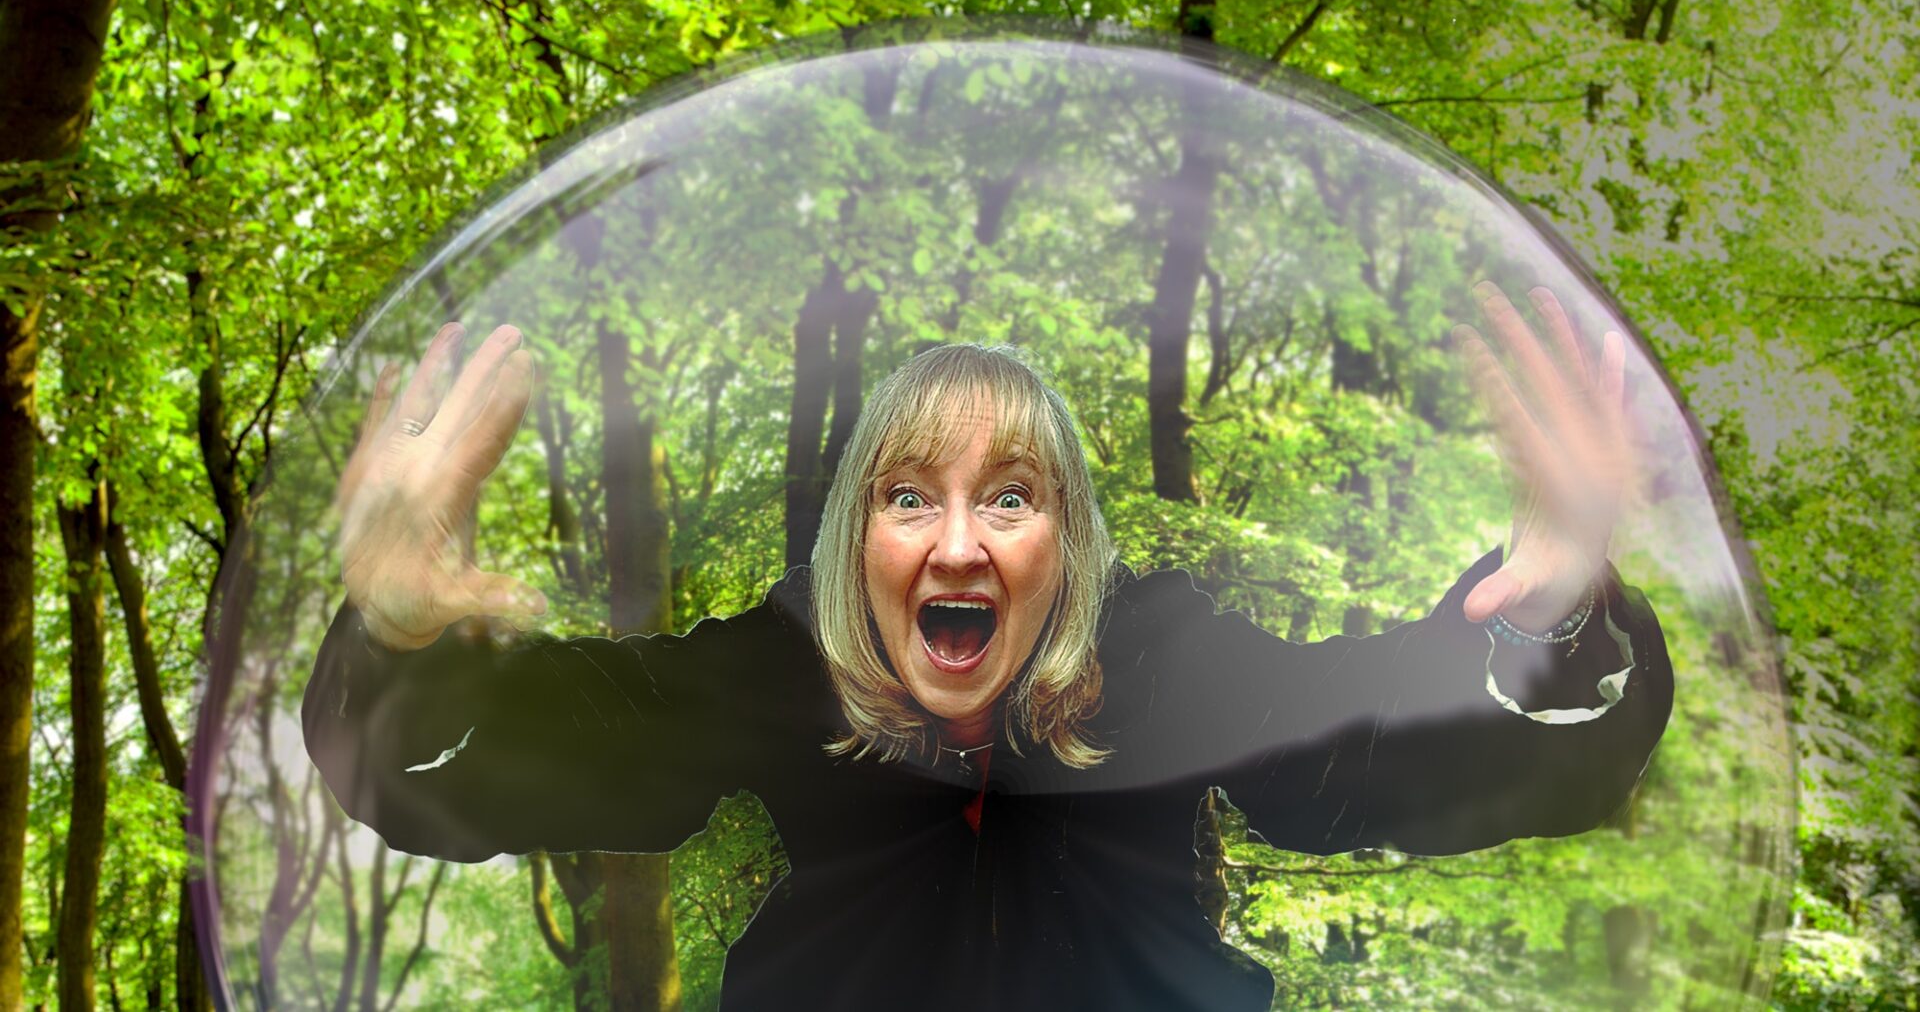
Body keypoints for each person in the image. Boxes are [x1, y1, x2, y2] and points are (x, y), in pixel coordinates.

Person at [305, 283, 1672, 1010]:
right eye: (909, 495)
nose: (958, 540)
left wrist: (1554, 610)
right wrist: (405, 633)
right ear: (859, 542)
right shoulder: (782, 666)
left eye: (1010, 496)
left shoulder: (1172, 658)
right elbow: (463, 766)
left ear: (1066, 546)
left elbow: (1420, 746)